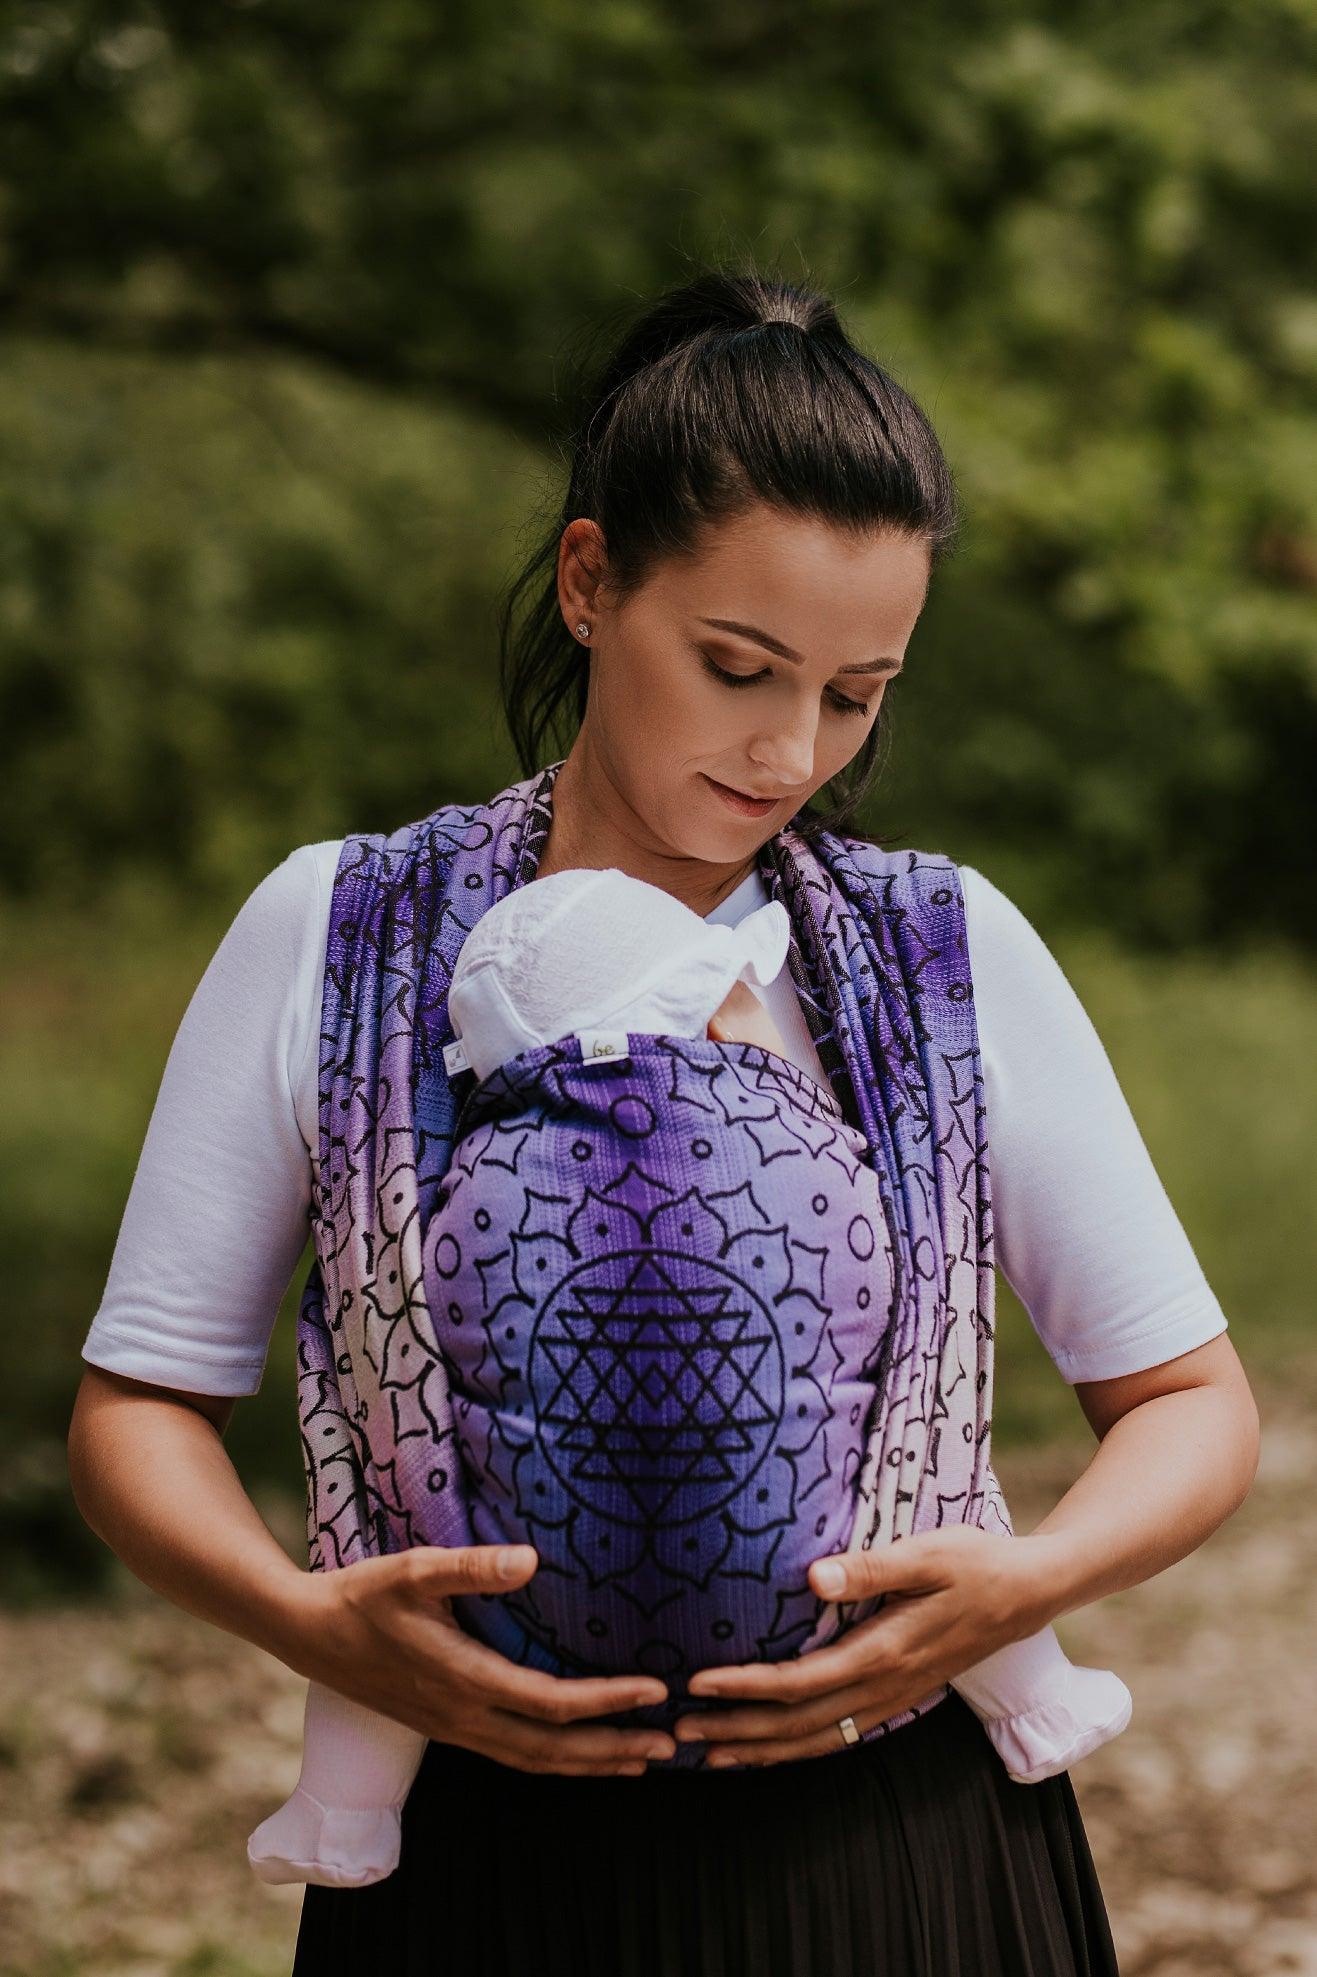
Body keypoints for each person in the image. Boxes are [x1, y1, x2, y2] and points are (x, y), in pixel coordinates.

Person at [68, 268, 1260, 1975]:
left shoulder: (941, 952)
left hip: (897, 1855)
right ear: (585, 581)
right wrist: (320, 1625)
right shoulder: (342, 934)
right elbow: (136, 1411)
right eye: (736, 664)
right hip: (485, 1859)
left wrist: (1024, 1581)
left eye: (855, 693)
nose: (789, 748)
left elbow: (1190, 1407)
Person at [246, 864, 1131, 1890]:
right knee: (929, 1482)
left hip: (510, 1677)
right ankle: (1038, 1699)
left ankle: (343, 1811)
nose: (790, 750)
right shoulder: (822, 1143)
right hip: (844, 1639)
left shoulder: (454, 1178)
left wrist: (308, 1617)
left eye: (851, 697)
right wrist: (1034, 1578)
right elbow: (884, 1321)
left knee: (396, 1542)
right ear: (711, 1013)